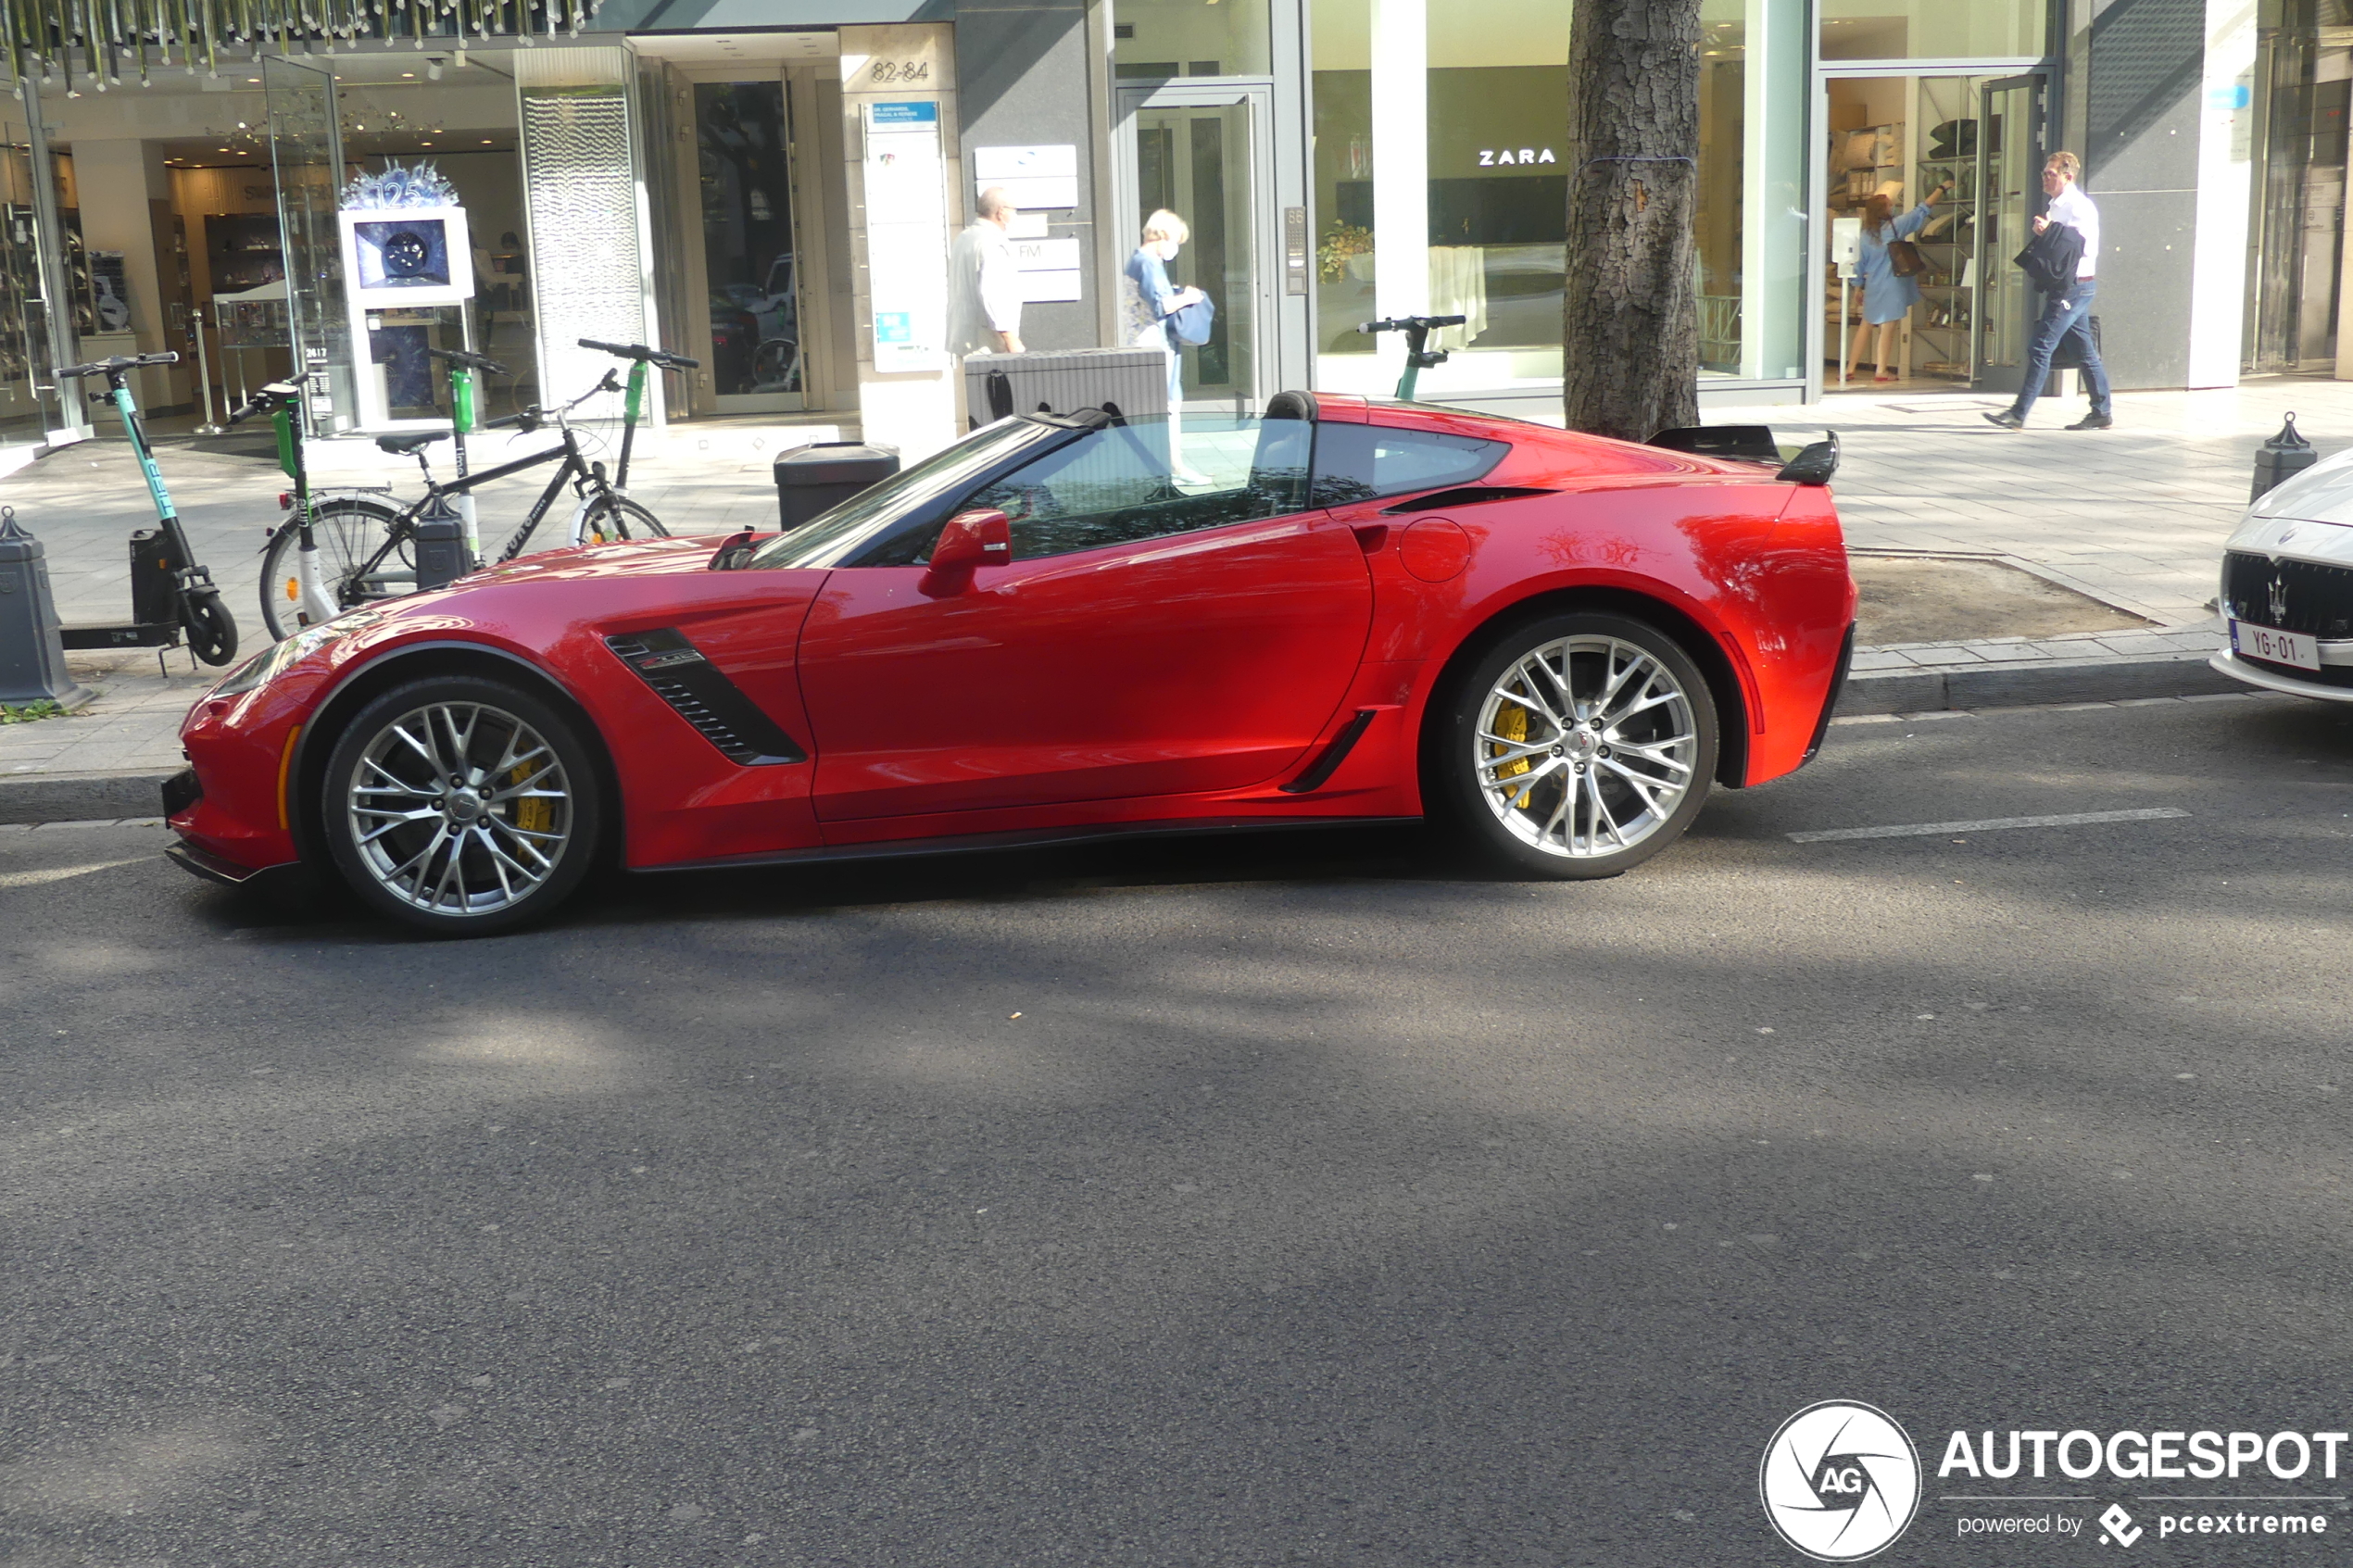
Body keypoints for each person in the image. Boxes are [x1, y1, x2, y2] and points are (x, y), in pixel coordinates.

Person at [1984, 151, 2113, 432]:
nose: (2045, 178)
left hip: (2074, 286)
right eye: (2044, 173)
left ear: (2068, 176)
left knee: (2040, 346)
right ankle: (2102, 411)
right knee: (2084, 352)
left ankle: (2018, 413)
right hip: (2071, 285)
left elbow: (2081, 247)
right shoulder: (2057, 204)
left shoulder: (2078, 206)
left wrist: (2050, 231)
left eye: (2050, 174)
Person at [1124, 208, 1209, 483]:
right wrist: (1188, 297)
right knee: (1168, 406)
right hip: (1154, 345)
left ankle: (1167, 468)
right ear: (1162, 235)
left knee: (1160, 406)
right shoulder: (1148, 263)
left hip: (1144, 342)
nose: (1176, 248)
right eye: (1176, 241)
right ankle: (1175, 469)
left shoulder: (1138, 260)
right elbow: (1161, 305)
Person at [1844, 182, 1950, 383]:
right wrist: (1941, 189)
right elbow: (1922, 209)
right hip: (1893, 283)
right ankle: (1881, 370)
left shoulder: (1865, 236)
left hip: (1874, 285)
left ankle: (1850, 368)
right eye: (1889, 205)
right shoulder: (1895, 227)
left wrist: (1857, 288)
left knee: (1865, 325)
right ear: (1883, 210)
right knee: (1888, 327)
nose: (1892, 207)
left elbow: (1859, 265)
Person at [947, 186, 1024, 358]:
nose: (1015, 215)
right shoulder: (992, 243)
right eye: (1013, 210)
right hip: (988, 343)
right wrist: (1010, 337)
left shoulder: (964, 238)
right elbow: (993, 292)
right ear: (1001, 212)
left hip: (964, 337)